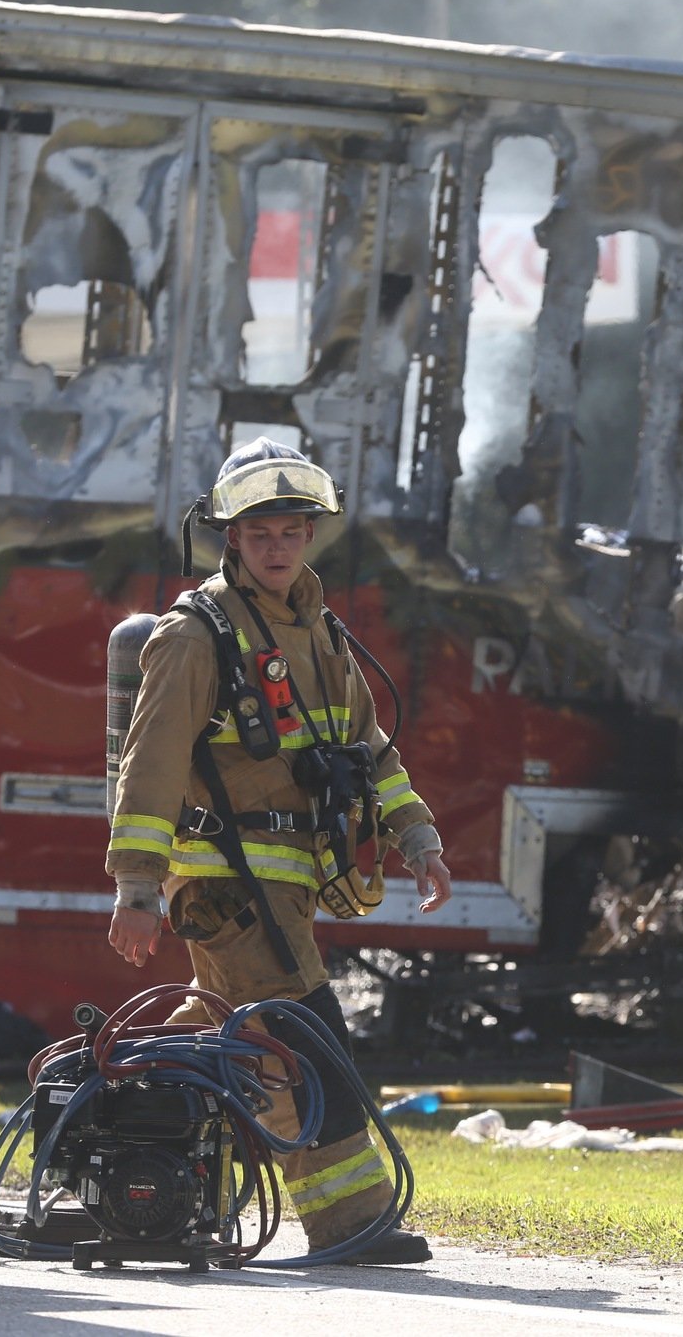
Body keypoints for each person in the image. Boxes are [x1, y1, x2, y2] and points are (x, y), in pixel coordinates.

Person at [104, 437, 450, 1265]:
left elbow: (370, 751)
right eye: (260, 530)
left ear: (309, 534)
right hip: (226, 885)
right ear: (231, 534)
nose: (277, 545)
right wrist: (138, 887)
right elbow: (149, 764)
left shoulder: (321, 634)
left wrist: (419, 837)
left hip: (285, 888)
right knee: (305, 1035)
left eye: (291, 529)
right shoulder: (196, 635)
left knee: (210, 1040)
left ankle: (138, 1163)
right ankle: (350, 1222)